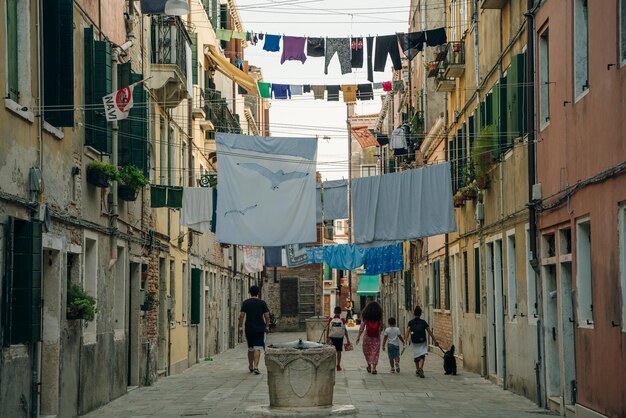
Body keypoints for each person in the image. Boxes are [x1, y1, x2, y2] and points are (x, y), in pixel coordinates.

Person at [238, 285, 270, 375]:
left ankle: (251, 366)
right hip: (260, 328)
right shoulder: (262, 303)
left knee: (251, 348)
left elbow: (241, 316)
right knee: (258, 347)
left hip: (249, 328)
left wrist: (240, 327)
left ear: (250, 292)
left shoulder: (246, 303)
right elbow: (267, 316)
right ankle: (256, 366)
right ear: (258, 293)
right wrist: (267, 327)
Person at [405, 306, 439, 378]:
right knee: (422, 355)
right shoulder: (423, 322)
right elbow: (429, 332)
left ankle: (418, 369)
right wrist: (435, 340)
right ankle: (420, 368)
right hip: (422, 340)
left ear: (414, 314)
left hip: (415, 341)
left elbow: (408, 331)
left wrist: (406, 339)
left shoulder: (410, 322)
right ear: (420, 314)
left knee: (417, 355)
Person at [355, 300, 383, 374]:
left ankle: (369, 366)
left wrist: (358, 336)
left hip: (367, 336)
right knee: (375, 352)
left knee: (367, 351)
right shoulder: (379, 317)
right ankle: (374, 368)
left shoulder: (366, 317)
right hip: (376, 337)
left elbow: (361, 327)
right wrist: (379, 332)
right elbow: (381, 326)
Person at [327, 306, 351, 371]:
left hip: (332, 338)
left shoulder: (330, 319)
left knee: (332, 351)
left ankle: (332, 365)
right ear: (340, 312)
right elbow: (344, 330)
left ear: (334, 312)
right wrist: (348, 339)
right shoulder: (342, 320)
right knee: (339, 351)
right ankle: (338, 365)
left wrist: (327, 338)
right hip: (340, 338)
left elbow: (328, 329)